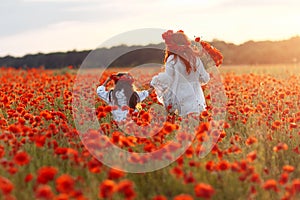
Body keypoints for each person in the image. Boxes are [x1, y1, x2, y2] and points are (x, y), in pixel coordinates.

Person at [150, 30, 210, 116]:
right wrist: (194, 80)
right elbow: (205, 78)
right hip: (196, 97)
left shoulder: (172, 59)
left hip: (180, 97)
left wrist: (155, 82)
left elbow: (168, 79)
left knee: (182, 124)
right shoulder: (195, 58)